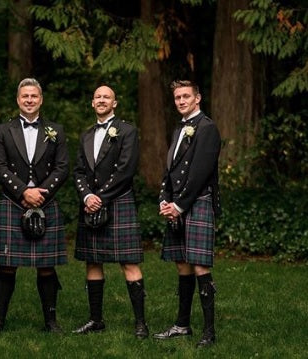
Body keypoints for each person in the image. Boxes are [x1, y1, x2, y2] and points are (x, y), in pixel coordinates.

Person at [0, 78, 69, 333]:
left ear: (41, 100)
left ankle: (51, 321)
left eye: (34, 96)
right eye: (25, 96)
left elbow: (62, 167)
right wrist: (23, 191)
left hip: (46, 200)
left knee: (46, 265)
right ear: (18, 100)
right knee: (7, 264)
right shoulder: (2, 130)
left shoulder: (56, 130)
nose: (30, 100)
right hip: (14, 201)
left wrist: (41, 193)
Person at [72, 85, 148, 338]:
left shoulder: (127, 131)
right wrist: (86, 195)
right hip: (91, 203)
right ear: (92, 103)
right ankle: (96, 320)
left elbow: (126, 170)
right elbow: (79, 171)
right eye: (97, 97)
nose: (102, 100)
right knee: (93, 261)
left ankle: (140, 323)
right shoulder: (85, 135)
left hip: (117, 201)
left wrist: (100, 197)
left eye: (106, 97)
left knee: (129, 262)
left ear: (114, 103)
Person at [153, 80, 221, 347]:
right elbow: (170, 170)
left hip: (197, 203)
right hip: (177, 205)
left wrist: (178, 206)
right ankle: (182, 325)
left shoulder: (208, 128)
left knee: (200, 265)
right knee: (182, 264)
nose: (181, 101)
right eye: (177, 97)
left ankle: (209, 332)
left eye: (185, 96)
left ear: (198, 98)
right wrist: (163, 199)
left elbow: (200, 173)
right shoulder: (179, 129)